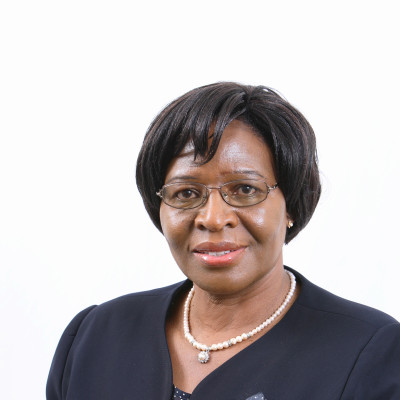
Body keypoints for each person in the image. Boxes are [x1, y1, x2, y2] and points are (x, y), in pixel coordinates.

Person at [47, 82, 400, 400]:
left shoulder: (371, 354)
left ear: (291, 204)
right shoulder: (94, 337)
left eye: (245, 189)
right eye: (186, 193)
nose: (213, 218)